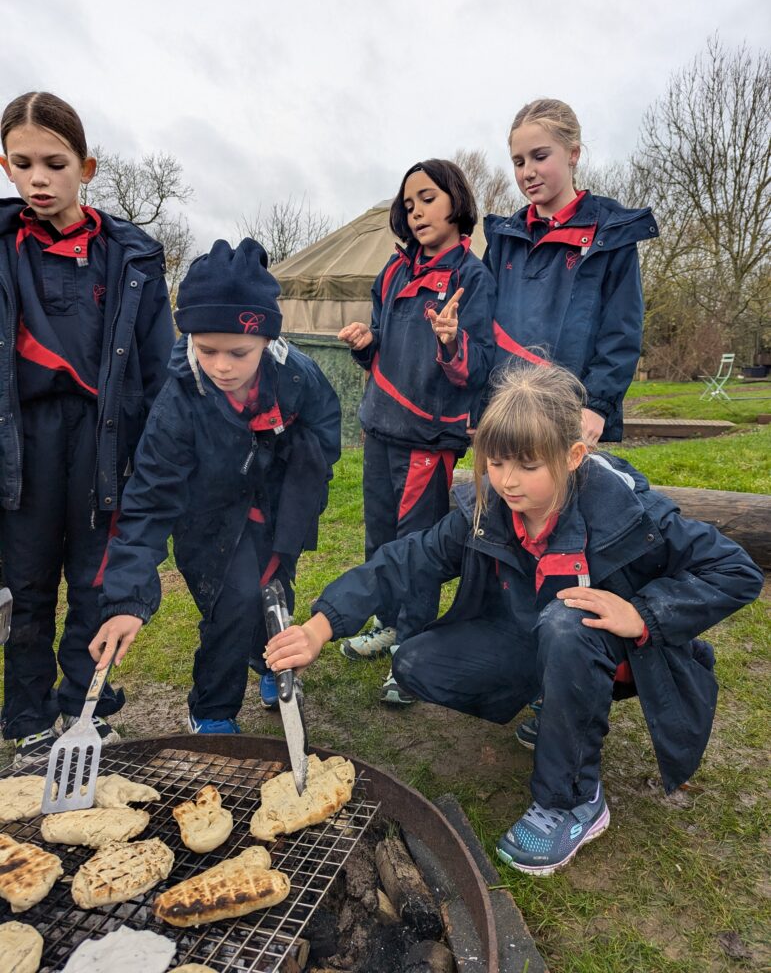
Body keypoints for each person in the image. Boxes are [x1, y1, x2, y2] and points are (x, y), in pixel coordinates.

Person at [263, 363, 763, 875]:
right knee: (415, 663)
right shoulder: (489, 510)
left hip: (620, 655)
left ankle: (574, 802)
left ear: (572, 457)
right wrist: (320, 625)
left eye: (526, 466)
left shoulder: (630, 513)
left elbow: (735, 571)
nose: (506, 480)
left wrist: (642, 614)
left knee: (567, 624)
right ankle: (553, 707)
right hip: (537, 638)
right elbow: (405, 560)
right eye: (496, 462)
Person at [88, 238, 341, 733]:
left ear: (267, 340)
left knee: (272, 586)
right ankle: (212, 711)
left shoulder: (297, 376)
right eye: (206, 349)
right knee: (230, 603)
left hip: (273, 505)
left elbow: (325, 427)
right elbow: (149, 500)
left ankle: (270, 659)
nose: (222, 365)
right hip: (205, 515)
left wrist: (294, 468)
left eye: (238, 352)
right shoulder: (178, 399)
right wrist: (126, 601)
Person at [0, 91, 174, 767]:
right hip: (24, 444)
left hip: (106, 446)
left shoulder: (132, 256)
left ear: (87, 166)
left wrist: (156, 454)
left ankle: (84, 707)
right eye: (22, 164)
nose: (39, 178)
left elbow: (157, 366)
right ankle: (27, 721)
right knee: (27, 584)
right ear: (7, 166)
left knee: (95, 584)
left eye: (54, 162)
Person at [337, 159, 495, 704]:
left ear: (455, 199)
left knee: (418, 547)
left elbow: (478, 369)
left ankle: (414, 648)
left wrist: (452, 340)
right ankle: (388, 625)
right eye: (408, 204)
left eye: (427, 198)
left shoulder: (471, 278)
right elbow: (385, 347)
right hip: (380, 427)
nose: (417, 211)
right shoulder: (393, 272)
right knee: (380, 536)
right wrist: (365, 344)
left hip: (429, 439)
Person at [484, 98, 659, 447]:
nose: (527, 171)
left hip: (570, 418)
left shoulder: (610, 236)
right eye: (518, 162)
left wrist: (597, 405)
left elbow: (621, 330)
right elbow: (481, 326)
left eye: (539, 156)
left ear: (573, 154)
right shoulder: (503, 239)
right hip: (505, 412)